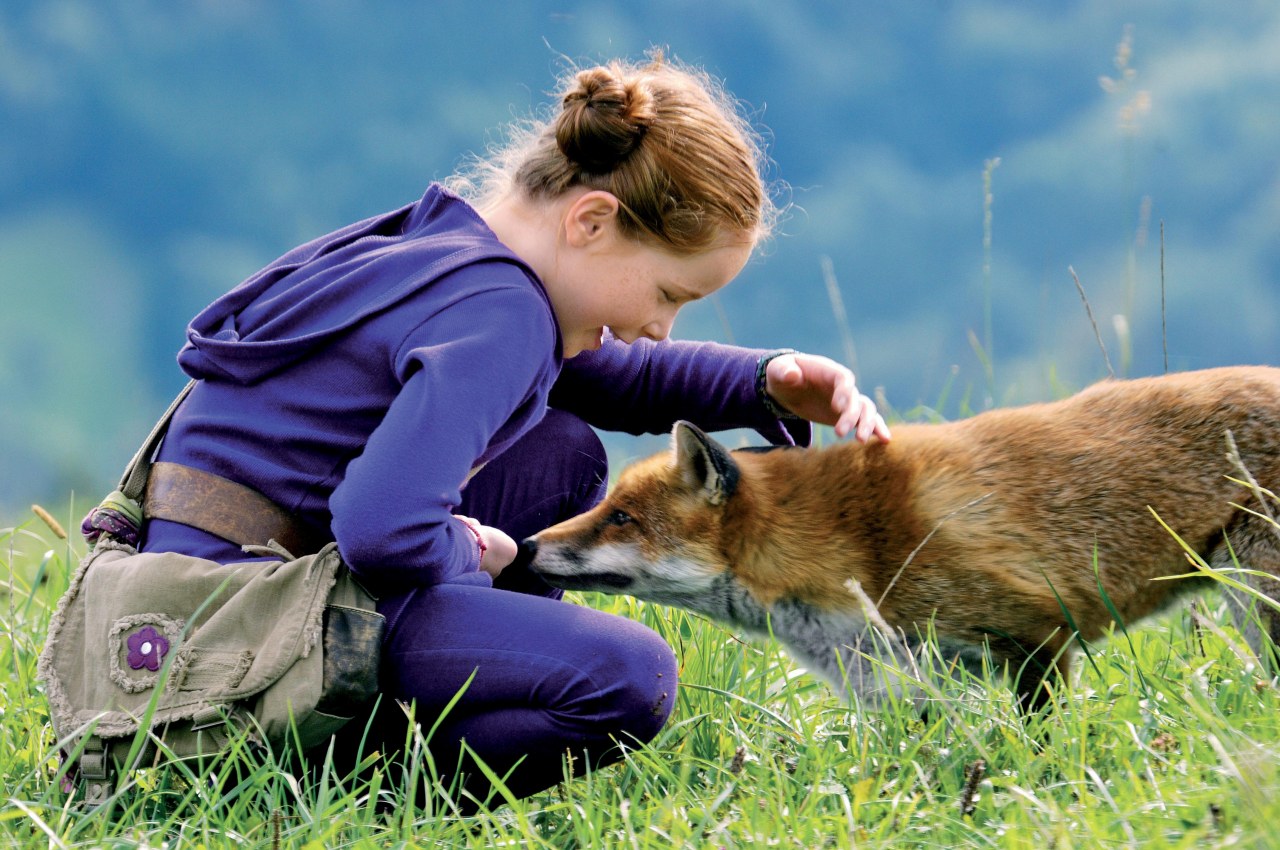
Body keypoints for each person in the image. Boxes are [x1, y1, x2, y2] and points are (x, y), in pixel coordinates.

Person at [141, 54, 890, 810]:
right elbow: (380, 529)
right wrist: (477, 554)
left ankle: (404, 712)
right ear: (591, 220)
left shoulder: (450, 251)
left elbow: (596, 377)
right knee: (629, 678)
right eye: (669, 293)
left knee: (556, 453)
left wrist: (771, 380)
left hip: (184, 604)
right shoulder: (500, 313)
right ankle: (348, 797)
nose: (661, 330)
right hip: (246, 633)